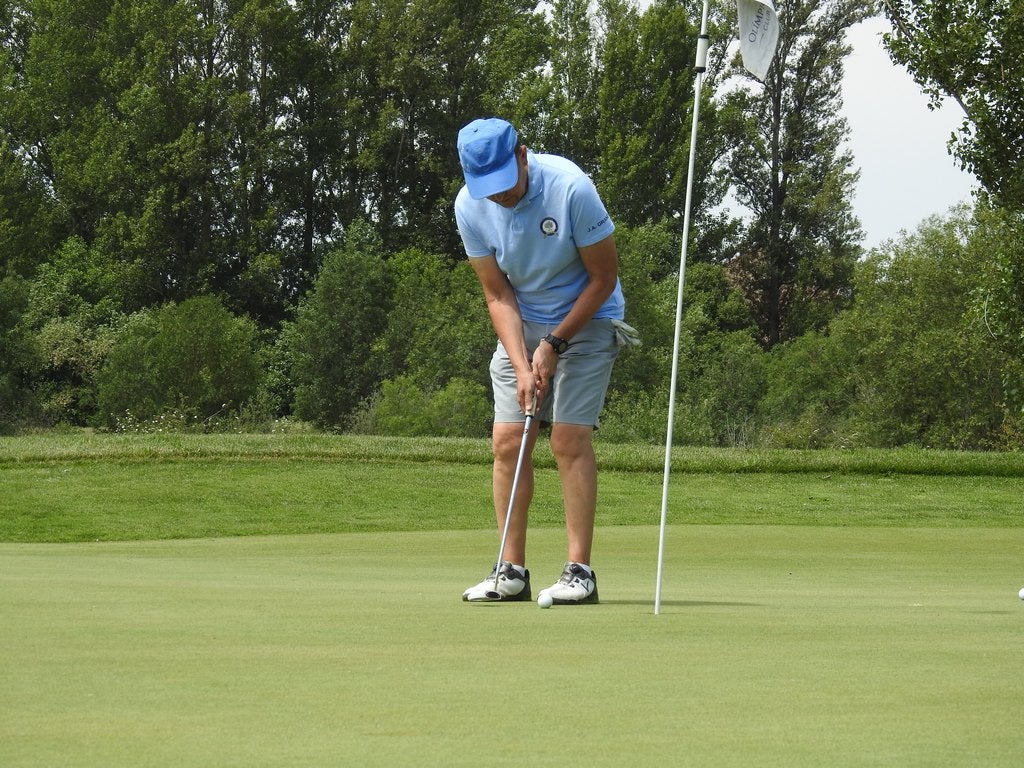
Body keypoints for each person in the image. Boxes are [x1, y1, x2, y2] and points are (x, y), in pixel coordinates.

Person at [454, 117, 627, 605]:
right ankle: (510, 572)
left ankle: (580, 572)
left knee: (568, 438)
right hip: (521, 322)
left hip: (587, 316)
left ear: (523, 155)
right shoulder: (469, 206)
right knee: (510, 438)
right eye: (487, 189)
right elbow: (496, 293)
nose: (500, 197)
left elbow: (604, 278)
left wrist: (552, 344)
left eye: (506, 184)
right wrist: (523, 361)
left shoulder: (571, 189)